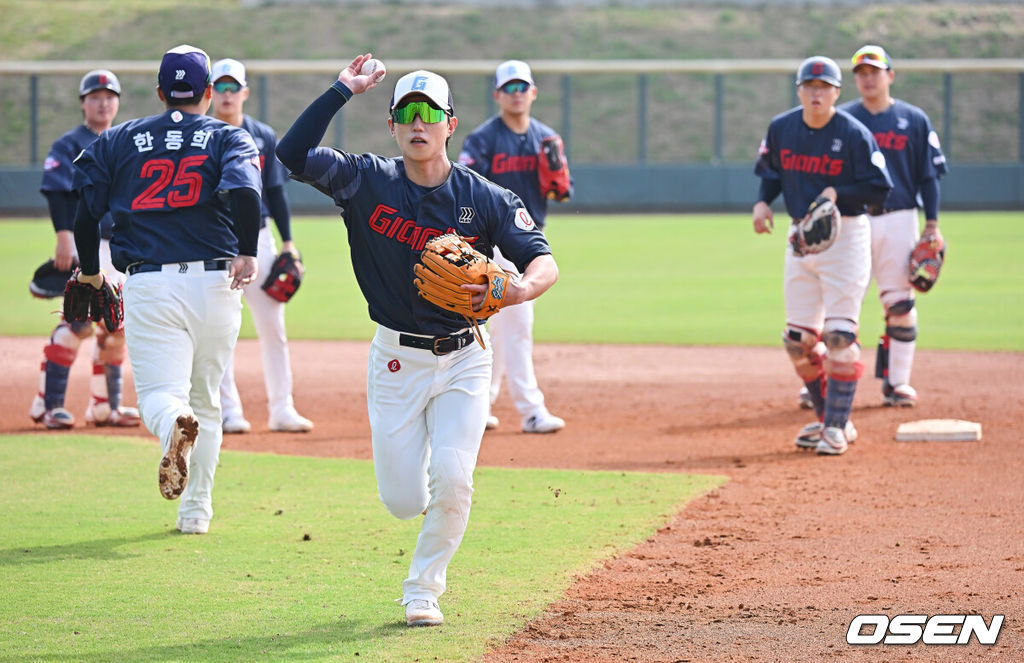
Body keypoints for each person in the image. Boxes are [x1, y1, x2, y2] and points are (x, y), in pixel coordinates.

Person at [276, 54, 558, 626]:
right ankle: (428, 476)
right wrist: (340, 90)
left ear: (450, 124)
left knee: (454, 480)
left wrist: (520, 291)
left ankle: (423, 590)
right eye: (406, 113)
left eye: (430, 113)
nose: (418, 123)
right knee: (403, 501)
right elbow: (291, 154)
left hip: (465, 358)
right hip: (395, 360)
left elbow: (543, 260)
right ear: (392, 125)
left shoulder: (486, 198)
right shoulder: (364, 180)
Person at [70, 45, 263, 535]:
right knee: (208, 400)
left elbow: (86, 210)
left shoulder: (120, 138)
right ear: (207, 91)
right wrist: (247, 250)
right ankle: (196, 512)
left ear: (160, 92)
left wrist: (91, 271)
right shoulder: (228, 135)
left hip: (151, 282)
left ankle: (174, 421)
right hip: (217, 283)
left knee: (161, 396)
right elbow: (245, 190)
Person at [752, 56, 892, 455]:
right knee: (797, 341)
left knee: (839, 337)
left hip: (846, 237)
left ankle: (835, 427)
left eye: (824, 87)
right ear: (799, 90)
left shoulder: (853, 133)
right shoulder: (782, 127)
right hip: (800, 236)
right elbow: (771, 172)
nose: (816, 94)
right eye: (810, 87)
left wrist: (837, 193)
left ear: (836, 92)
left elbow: (879, 187)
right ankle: (830, 417)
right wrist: (762, 203)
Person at [458, 59, 570, 434]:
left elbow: (562, 192)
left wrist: (559, 182)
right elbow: (465, 184)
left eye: (522, 87)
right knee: (516, 325)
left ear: (533, 92)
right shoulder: (483, 139)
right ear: (497, 95)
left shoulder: (546, 138)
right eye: (509, 88)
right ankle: (531, 411)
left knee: (505, 328)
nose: (516, 94)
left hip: (530, 244)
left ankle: (481, 403)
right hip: (493, 243)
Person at [29, 69, 141, 430]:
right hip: (86, 244)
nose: (103, 103)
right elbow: (57, 193)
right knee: (76, 323)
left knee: (115, 325)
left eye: (109, 97)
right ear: (83, 103)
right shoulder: (69, 144)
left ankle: (104, 406)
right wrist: (64, 237)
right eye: (95, 97)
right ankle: (48, 405)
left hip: (119, 247)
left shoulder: (125, 140)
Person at [840, 44, 949, 407]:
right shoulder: (843, 120)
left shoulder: (913, 119)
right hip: (853, 220)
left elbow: (928, 177)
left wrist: (932, 224)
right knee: (839, 307)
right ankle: (825, 384)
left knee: (900, 304)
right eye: (861, 73)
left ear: (890, 75)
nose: (868, 79)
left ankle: (898, 383)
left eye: (874, 71)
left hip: (900, 218)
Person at [209, 58, 313, 433]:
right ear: (209, 93)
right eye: (219, 87)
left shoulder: (263, 135)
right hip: (215, 238)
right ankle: (228, 410)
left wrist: (288, 243)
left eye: (232, 87)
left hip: (260, 236)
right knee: (220, 330)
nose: (226, 94)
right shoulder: (201, 135)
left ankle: (282, 409)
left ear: (245, 93)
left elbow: (275, 191)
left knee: (273, 327)